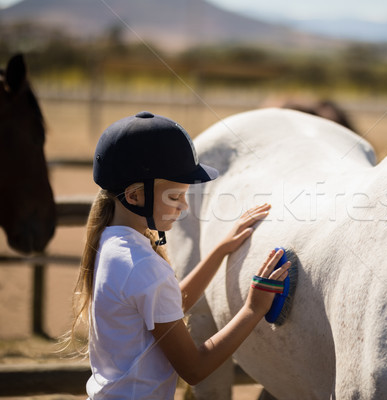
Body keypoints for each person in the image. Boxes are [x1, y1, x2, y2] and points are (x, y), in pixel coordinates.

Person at [65, 111, 291, 399]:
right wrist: (253, 309)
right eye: (174, 197)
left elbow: (167, 307)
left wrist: (220, 250)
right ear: (134, 196)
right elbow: (194, 369)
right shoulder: (143, 265)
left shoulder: (111, 243)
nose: (183, 207)